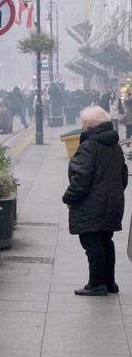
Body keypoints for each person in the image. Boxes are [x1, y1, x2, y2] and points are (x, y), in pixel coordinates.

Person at [62, 106, 127, 296]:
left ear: (89, 125)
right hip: (112, 201)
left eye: (83, 123)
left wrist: (69, 198)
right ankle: (110, 282)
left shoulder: (89, 145)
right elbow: (123, 175)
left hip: (92, 204)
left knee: (92, 241)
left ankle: (97, 284)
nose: (82, 127)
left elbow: (81, 178)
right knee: (106, 239)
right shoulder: (114, 145)